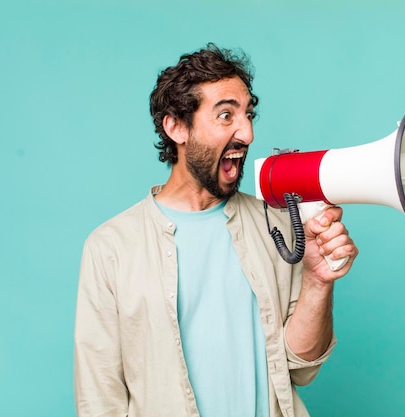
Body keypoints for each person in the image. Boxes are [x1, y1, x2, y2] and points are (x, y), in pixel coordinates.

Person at [74, 43, 358, 417]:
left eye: (248, 115)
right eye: (226, 115)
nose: (247, 133)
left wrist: (318, 281)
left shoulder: (278, 224)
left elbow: (301, 368)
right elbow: (99, 400)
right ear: (176, 127)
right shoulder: (110, 247)